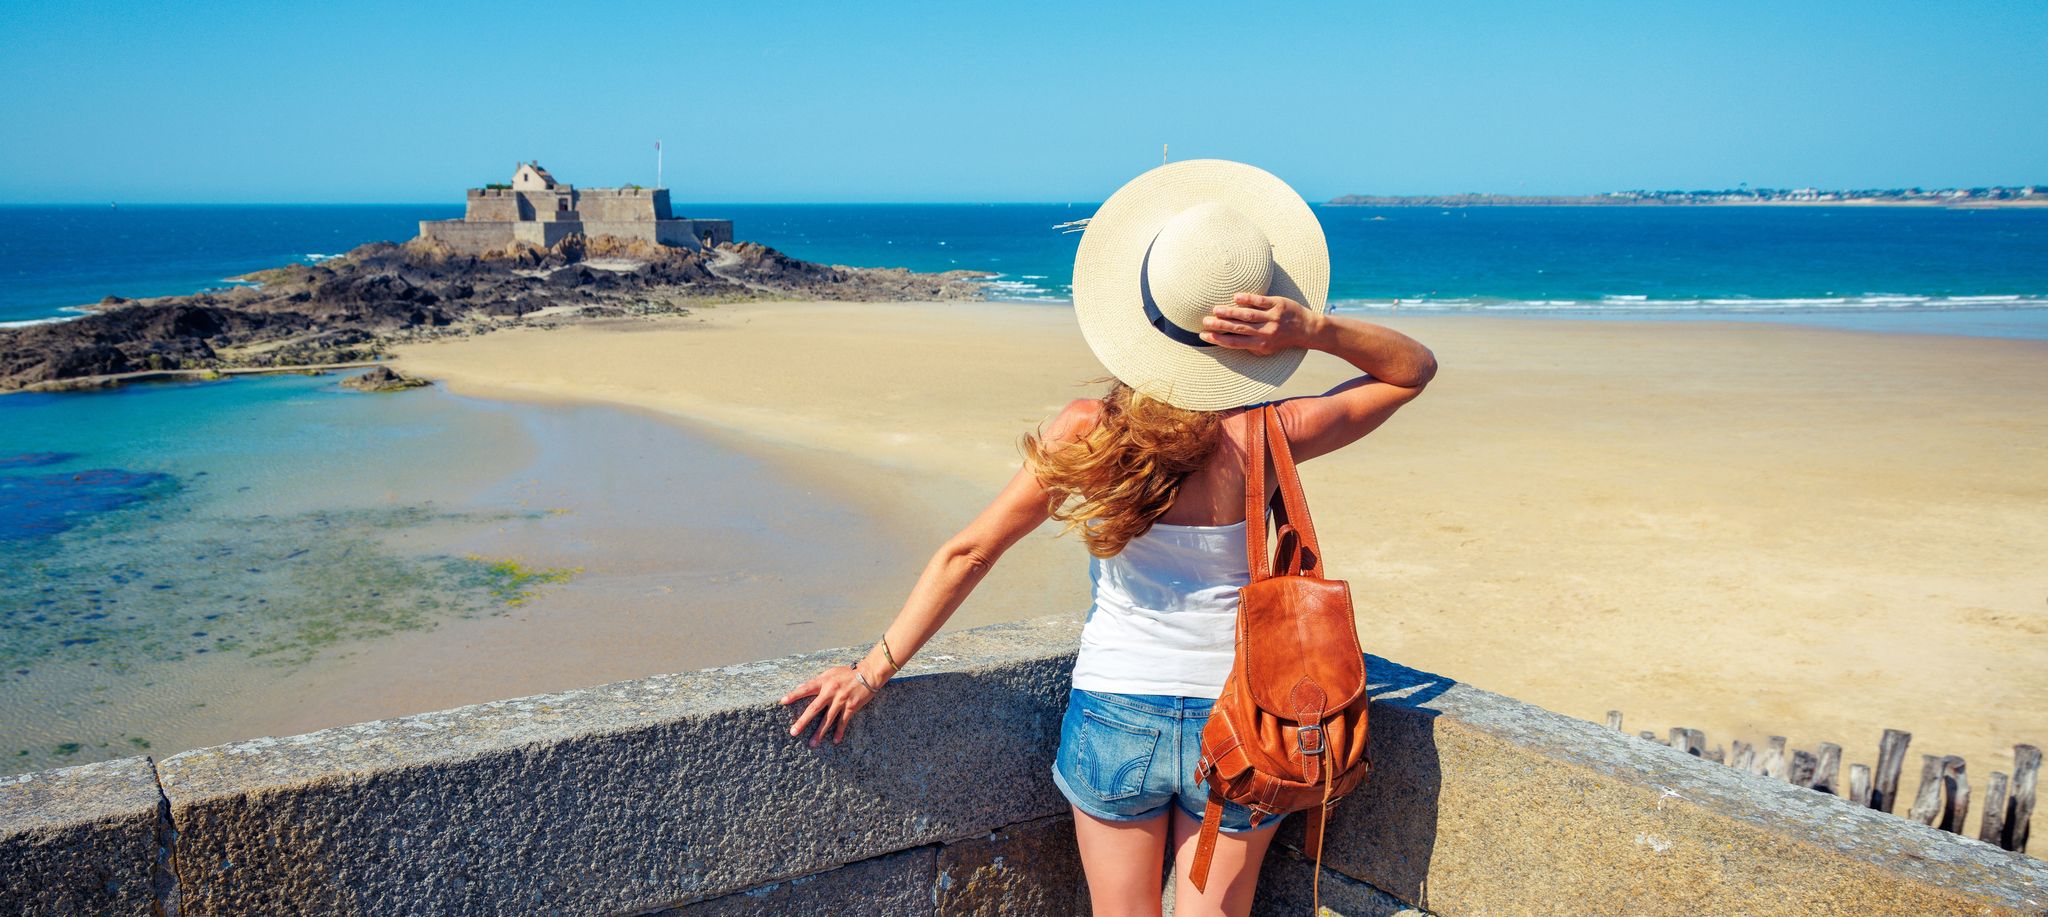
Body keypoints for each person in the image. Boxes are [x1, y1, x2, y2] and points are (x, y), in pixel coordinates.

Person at [779, 160, 1436, 917]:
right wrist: (1314, 330)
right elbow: (1411, 369)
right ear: (1255, 324)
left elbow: (971, 550)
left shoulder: (1092, 430)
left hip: (1117, 710)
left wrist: (870, 671)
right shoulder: (1271, 431)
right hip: (1245, 716)